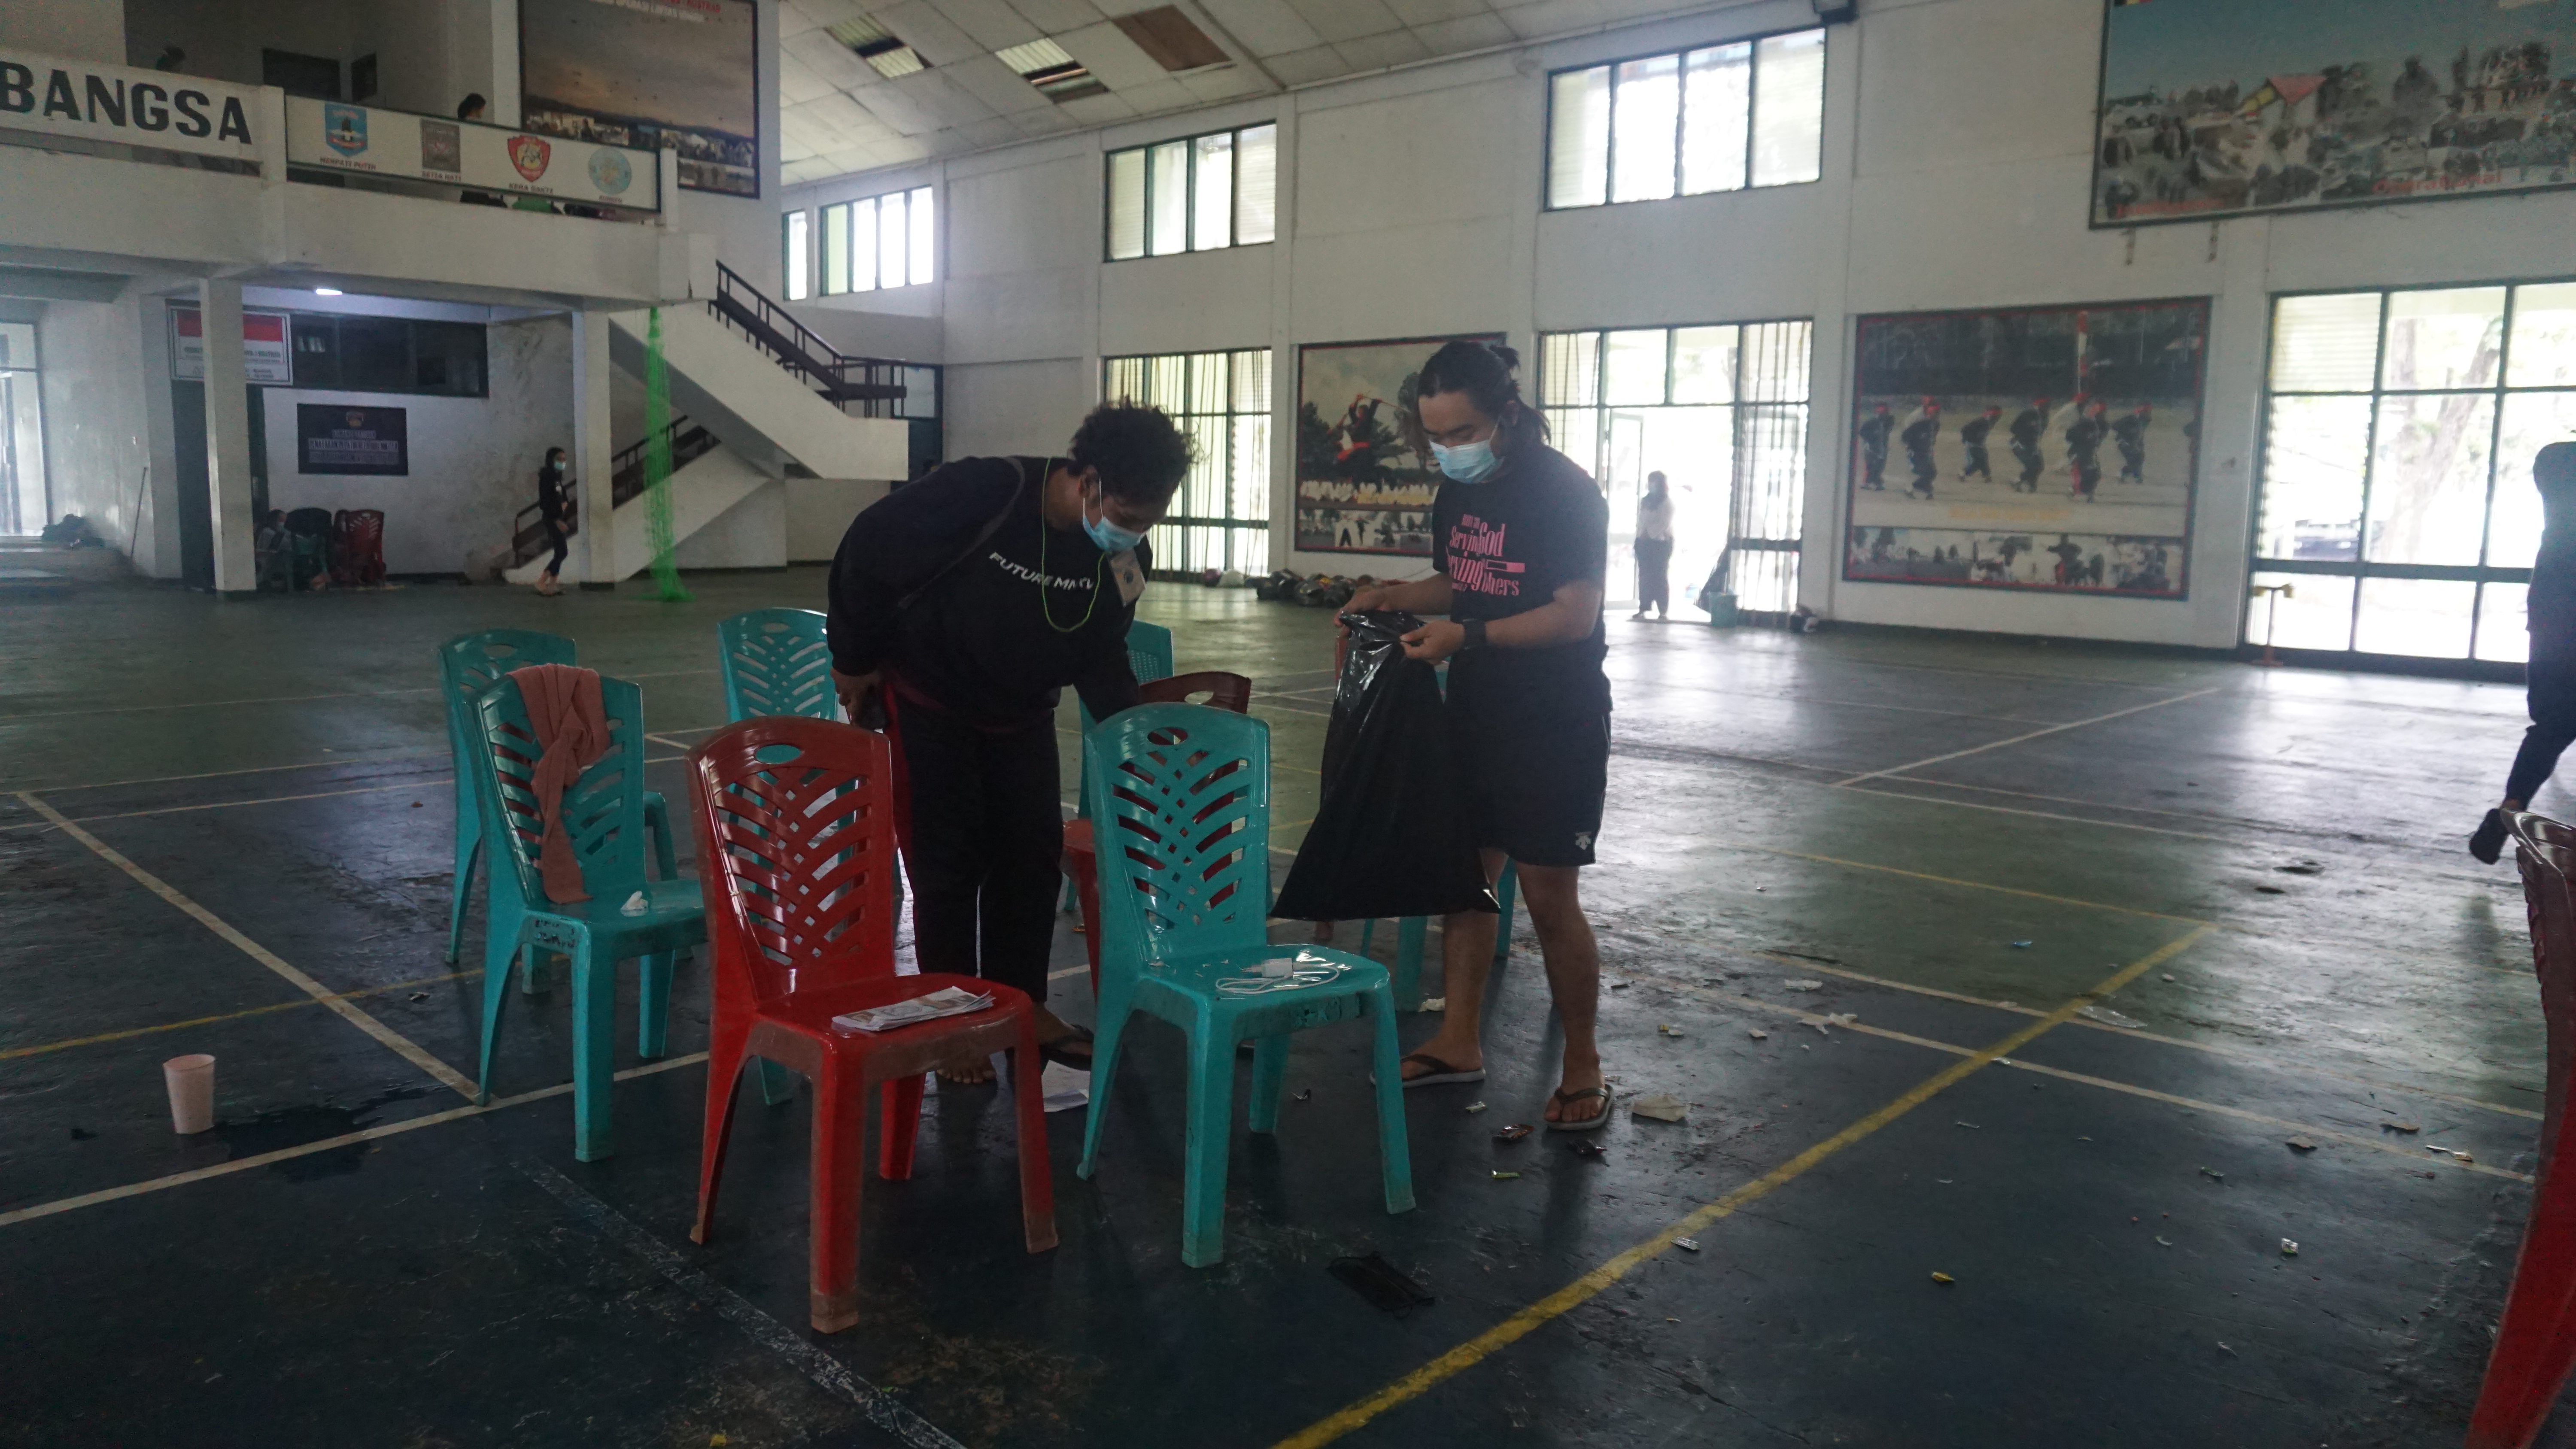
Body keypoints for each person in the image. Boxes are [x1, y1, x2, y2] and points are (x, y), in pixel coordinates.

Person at [826, 403, 1190, 1081]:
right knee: (946, 866)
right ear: (1088, 481)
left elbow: (1100, 652)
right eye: (1127, 514)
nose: (1134, 531)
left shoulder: (1121, 556)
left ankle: (1021, 1004)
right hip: (931, 703)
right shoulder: (985, 492)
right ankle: (948, 1018)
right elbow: (867, 550)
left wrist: (1135, 737)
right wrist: (852, 658)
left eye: (1151, 518)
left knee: (1030, 859)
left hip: (1021, 715)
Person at [1344, 341, 1614, 1130]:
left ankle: (1584, 1065)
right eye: (1435, 437)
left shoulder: (1565, 492)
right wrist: (1392, 593)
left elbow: (1574, 614)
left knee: (1550, 897)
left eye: (1461, 433)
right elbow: (1462, 581)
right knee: (1467, 879)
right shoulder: (1457, 492)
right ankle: (1458, 1039)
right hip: (1475, 712)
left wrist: (1469, 638)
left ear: (1507, 415)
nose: (1449, 450)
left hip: (1553, 721)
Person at [2473, 444, 2576, 863]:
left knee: (2550, 728)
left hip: (2553, 627)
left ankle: (2512, 806)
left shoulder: (2556, 473)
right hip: (2557, 625)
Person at [1632, 472, 1674, 621]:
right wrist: (1641, 535)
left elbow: (1664, 523)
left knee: (1660, 576)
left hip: (1661, 545)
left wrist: (1649, 533)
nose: (1652, 485)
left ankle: (1663, 611)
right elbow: (1641, 520)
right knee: (1645, 577)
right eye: (1650, 482)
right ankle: (1643, 607)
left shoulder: (1667, 503)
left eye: (1655, 482)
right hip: (1644, 544)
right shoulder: (1646, 501)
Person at [532, 447, 570, 596]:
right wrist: (556, 519)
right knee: (562, 552)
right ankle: (542, 581)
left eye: (564, 459)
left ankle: (552, 586)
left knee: (560, 552)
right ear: (551, 460)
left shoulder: (557, 478)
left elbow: (563, 497)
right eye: (559, 459)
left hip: (559, 517)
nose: (562, 462)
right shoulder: (547, 477)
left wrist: (565, 504)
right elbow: (545, 502)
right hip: (552, 519)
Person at [2066, 398, 2108, 501]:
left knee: (2095, 473)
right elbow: (2069, 436)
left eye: (2103, 413)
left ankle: (2087, 491)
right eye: (2099, 413)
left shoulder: (2103, 426)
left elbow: (2097, 441)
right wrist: (2082, 438)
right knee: (2081, 471)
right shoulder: (2084, 424)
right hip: (2077, 451)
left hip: (2090, 452)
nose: (2101, 415)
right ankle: (2077, 490)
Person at [1901, 400, 1941, 497]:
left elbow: (1932, 439)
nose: (1936, 415)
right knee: (1923, 471)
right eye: (1933, 413)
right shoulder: (1920, 425)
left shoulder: (1936, 425)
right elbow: (1905, 437)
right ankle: (1913, 487)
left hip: (1926, 452)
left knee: (1932, 472)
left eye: (1937, 413)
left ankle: (1921, 486)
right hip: (1915, 452)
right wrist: (1912, 446)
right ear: (1928, 414)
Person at [1959, 406, 2001, 483]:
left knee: (1983, 459)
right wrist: (1967, 439)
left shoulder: (1988, 422)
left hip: (1979, 444)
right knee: (1979, 462)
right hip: (1974, 444)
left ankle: (1987, 476)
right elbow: (1964, 429)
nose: (1997, 419)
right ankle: (1964, 473)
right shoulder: (1982, 421)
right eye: (1996, 416)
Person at [1856, 403, 1893, 491]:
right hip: (1871, 447)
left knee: (1880, 466)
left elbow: (1887, 429)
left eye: (1884, 412)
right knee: (1871, 465)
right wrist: (1872, 438)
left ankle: (1876, 482)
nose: (1882, 414)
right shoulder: (1871, 422)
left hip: (1882, 446)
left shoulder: (1889, 421)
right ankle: (1870, 482)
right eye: (1881, 412)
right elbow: (1862, 432)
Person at [2113, 403, 2152, 483]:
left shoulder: (2145, 420)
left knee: (2139, 457)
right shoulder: (2131, 418)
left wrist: (2140, 445)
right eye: (2147, 412)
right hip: (2124, 442)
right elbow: (2115, 425)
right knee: (2133, 459)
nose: (2149, 414)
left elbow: (2140, 434)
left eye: (2149, 412)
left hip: (2134, 443)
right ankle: (2130, 475)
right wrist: (2127, 433)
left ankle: (2134, 474)